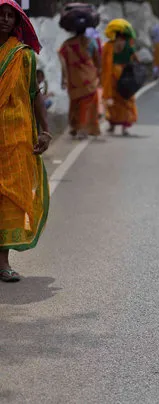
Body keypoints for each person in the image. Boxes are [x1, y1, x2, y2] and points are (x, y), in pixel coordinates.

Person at [0, 0, 51, 282]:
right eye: (1, 15)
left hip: (16, 139)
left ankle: (3, 262)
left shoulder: (24, 56)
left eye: (11, 16)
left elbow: (35, 94)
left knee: (9, 200)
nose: (5, 20)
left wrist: (45, 130)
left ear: (17, 23)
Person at [58, 22, 101, 138]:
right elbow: (97, 59)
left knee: (75, 103)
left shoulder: (67, 44)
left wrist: (64, 79)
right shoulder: (91, 42)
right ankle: (85, 128)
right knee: (87, 103)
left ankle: (76, 127)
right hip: (89, 78)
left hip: (74, 78)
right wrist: (99, 72)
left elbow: (63, 64)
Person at [102, 19, 138, 136]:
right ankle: (125, 128)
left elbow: (102, 60)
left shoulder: (108, 46)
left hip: (112, 74)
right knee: (126, 100)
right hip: (125, 74)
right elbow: (136, 59)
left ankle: (112, 125)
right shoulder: (128, 46)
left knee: (113, 100)